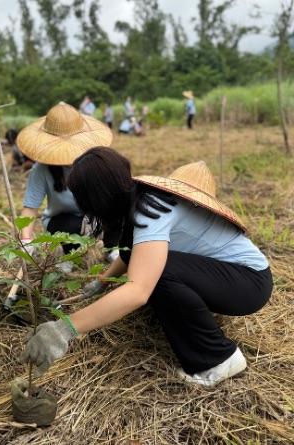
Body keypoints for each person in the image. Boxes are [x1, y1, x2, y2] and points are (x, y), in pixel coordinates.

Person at [18, 147, 272, 386]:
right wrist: (103, 282)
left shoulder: (151, 210)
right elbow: (132, 254)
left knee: (155, 275)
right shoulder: (136, 197)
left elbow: (138, 291)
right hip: (225, 276)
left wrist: (64, 329)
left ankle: (220, 359)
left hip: (248, 282)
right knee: (152, 271)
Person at [16, 102, 121, 273]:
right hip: (63, 220)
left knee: (118, 211)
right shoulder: (42, 170)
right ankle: (68, 254)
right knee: (68, 225)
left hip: (94, 215)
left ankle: (112, 248)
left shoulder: (95, 163)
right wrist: (26, 239)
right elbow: (30, 208)